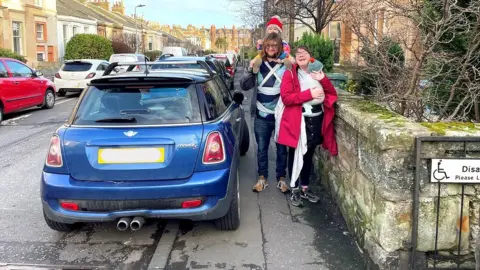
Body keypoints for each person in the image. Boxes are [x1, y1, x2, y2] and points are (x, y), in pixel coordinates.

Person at [277, 45, 338, 206]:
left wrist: (323, 79)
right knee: (295, 153)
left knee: (309, 154)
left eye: (304, 52)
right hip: (299, 119)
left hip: (316, 118)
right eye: (298, 53)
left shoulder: (317, 73)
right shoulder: (290, 74)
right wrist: (309, 94)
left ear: (311, 56)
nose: (300, 55)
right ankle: (294, 188)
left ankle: (304, 187)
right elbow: (287, 98)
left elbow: (331, 92)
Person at [240, 32, 289, 193]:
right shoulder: (258, 64)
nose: (271, 48)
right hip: (261, 114)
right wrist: (251, 69)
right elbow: (244, 86)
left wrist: (290, 62)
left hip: (281, 115)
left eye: (274, 45)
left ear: (279, 47)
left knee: (282, 149)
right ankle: (262, 178)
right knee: (262, 148)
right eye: (268, 45)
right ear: (264, 47)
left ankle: (281, 179)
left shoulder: (284, 65)